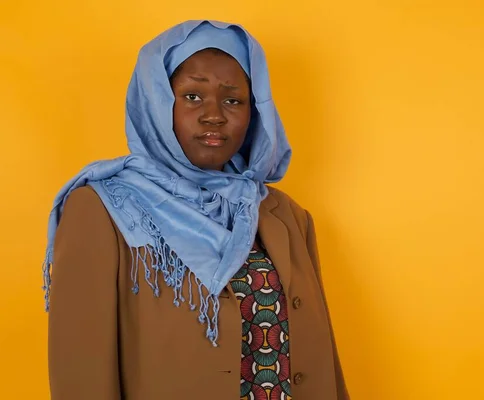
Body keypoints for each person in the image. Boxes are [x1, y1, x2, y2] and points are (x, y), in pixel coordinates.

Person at [43, 20, 348, 400]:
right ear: (155, 102)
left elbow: (318, 355)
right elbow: (81, 374)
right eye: (192, 97)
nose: (214, 115)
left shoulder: (282, 213)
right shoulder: (102, 210)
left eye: (233, 100)